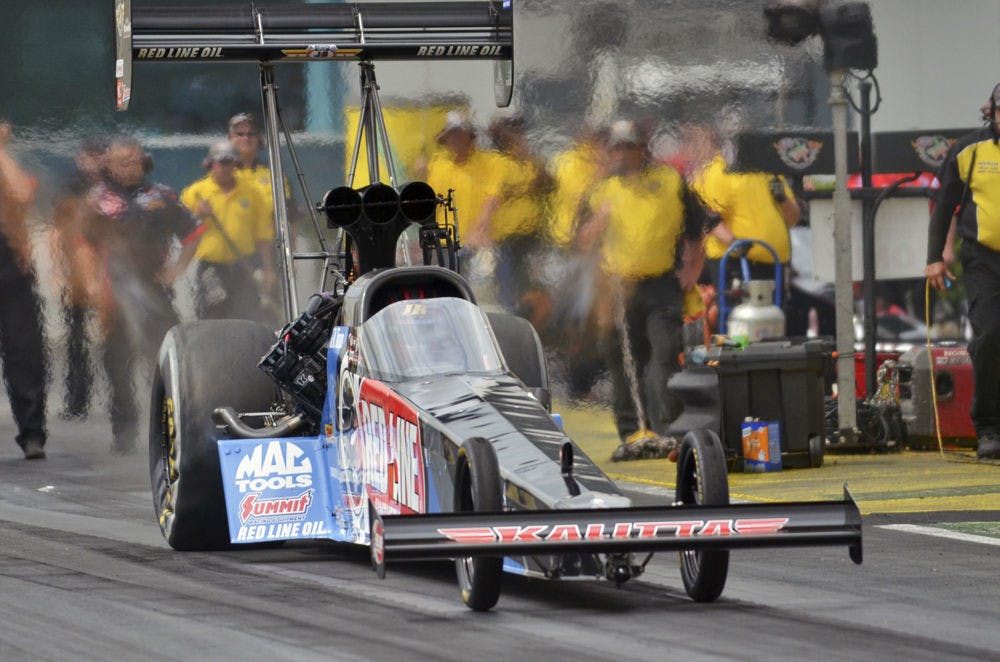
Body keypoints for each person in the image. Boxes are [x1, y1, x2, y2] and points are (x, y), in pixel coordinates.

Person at [578, 120, 706, 457]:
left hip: (662, 283)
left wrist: (693, 268)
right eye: (616, 147)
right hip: (618, 289)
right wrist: (598, 221)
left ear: (641, 149)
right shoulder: (600, 190)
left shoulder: (669, 181)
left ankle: (671, 429)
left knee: (666, 355)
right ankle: (632, 431)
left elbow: (696, 227)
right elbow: (580, 243)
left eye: (627, 147)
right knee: (624, 361)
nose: (621, 154)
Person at [86, 137, 201, 453]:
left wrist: (177, 269)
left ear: (144, 161)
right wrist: (93, 285)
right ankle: (123, 433)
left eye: (134, 161)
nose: (128, 167)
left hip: (155, 290)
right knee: (116, 363)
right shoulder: (97, 200)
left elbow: (193, 233)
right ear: (108, 164)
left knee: (167, 358)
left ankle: (173, 425)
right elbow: (79, 245)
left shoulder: (161, 196)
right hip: (114, 292)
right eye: (122, 161)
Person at [926, 82, 1000, 460]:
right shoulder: (969, 150)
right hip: (984, 258)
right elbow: (943, 205)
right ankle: (988, 426)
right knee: (989, 336)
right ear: (992, 113)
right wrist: (935, 256)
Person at [181, 140, 274, 320]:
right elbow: (181, 230)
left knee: (247, 312)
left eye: (230, 162)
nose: (225, 168)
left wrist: (268, 268)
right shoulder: (194, 193)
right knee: (211, 312)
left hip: (244, 265)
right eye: (221, 163)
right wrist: (198, 214)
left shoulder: (252, 192)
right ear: (211, 164)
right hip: (211, 267)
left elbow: (263, 233)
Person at [49, 138, 107, 420]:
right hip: (77, 269)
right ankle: (77, 401)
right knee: (76, 339)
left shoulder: (115, 186)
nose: (94, 161)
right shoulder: (68, 187)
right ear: (80, 159)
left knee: (115, 337)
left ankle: (120, 404)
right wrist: (59, 269)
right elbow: (58, 231)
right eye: (89, 156)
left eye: (99, 155)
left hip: (108, 267)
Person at [693, 148, 800, 298]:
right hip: (735, 262)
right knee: (738, 317)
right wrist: (733, 242)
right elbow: (705, 216)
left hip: (774, 263)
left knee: (773, 318)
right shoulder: (718, 170)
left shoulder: (769, 169)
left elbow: (793, 218)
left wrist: (783, 199)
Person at [0, 122, 47, 460]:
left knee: (23, 349)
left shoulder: (8, 165)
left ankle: (32, 433)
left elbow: (22, 195)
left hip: (9, 262)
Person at [422, 110, 504, 274]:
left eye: (460, 134)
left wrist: (479, 230)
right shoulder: (437, 166)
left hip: (476, 245)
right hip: (444, 244)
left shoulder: (489, 162)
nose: (455, 139)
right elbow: (428, 204)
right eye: (452, 135)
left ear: (470, 136)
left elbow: (493, 198)